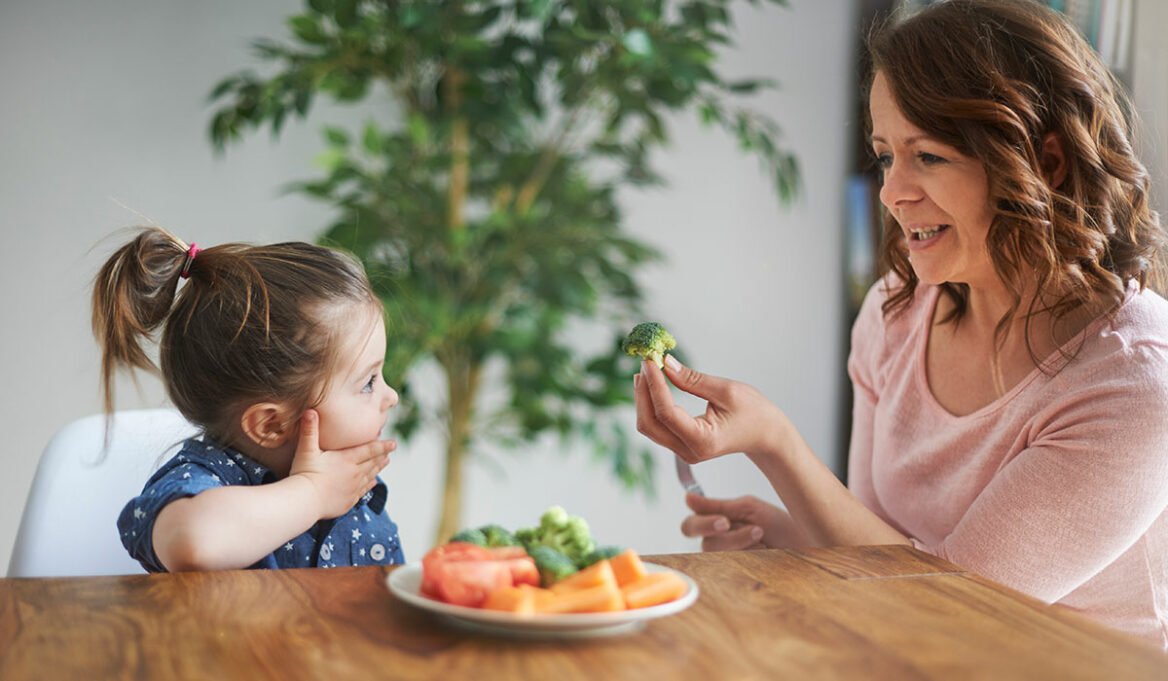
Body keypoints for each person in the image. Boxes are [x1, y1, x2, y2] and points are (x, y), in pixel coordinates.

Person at [634, 0, 1168, 646]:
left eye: (929, 156)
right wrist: (787, 536)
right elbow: (890, 557)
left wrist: (774, 442)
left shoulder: (1135, 381)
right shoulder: (898, 311)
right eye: (887, 156)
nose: (891, 192)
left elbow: (955, 611)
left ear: (1046, 163)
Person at [93, 227, 404, 571]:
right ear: (271, 424)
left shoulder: (353, 490)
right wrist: (313, 493)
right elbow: (194, 541)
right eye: (368, 382)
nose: (391, 396)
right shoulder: (203, 480)